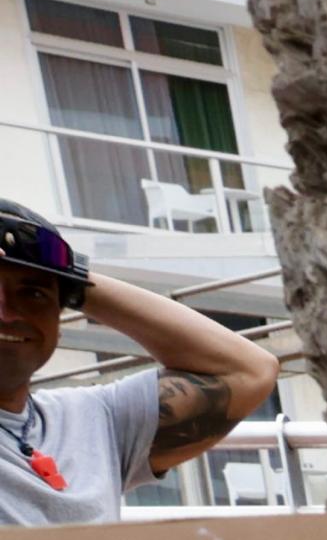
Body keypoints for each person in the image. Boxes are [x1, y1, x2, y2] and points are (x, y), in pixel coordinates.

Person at [0, 204, 273, 523]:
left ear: (60, 320)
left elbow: (249, 371)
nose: (6, 314)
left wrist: (74, 276)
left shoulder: (95, 419)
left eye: (33, 294)